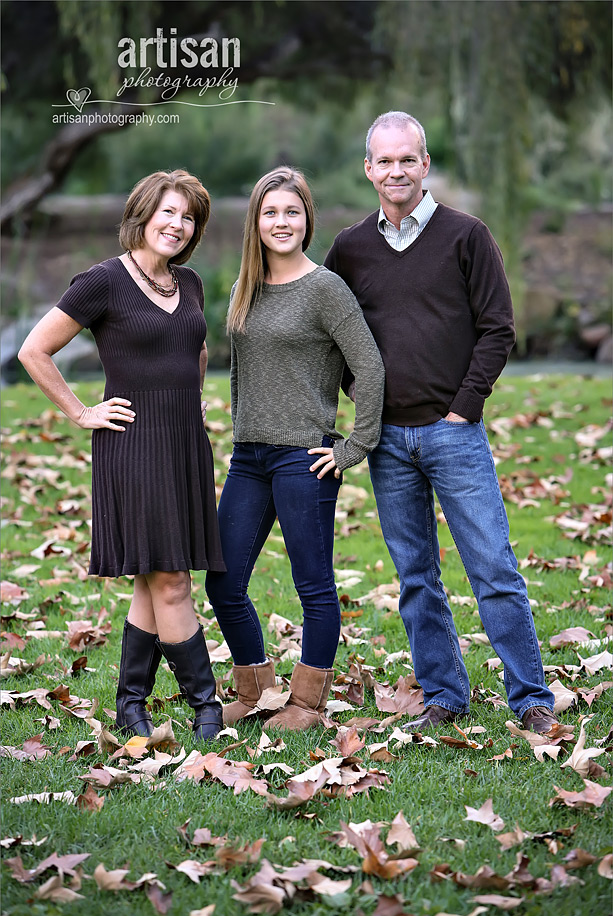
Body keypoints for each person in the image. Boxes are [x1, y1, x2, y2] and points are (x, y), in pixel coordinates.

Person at [324, 112, 556, 733]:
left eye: (408, 159)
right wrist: (363, 400)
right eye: (385, 161)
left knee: (493, 568)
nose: (396, 171)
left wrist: (464, 407)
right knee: (415, 577)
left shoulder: (466, 235)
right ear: (368, 169)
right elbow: (329, 334)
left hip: (454, 432)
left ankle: (531, 698)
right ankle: (444, 696)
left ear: (425, 165)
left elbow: (497, 328)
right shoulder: (349, 249)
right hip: (387, 441)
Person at [18, 169, 225, 743]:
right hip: (132, 444)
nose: (178, 225)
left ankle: (130, 705)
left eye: (188, 217)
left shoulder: (190, 285)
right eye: (169, 213)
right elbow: (34, 351)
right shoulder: (102, 281)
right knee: (173, 580)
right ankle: (205, 707)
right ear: (143, 214)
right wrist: (82, 412)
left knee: (151, 580)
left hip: (183, 441)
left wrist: (196, 403)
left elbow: (197, 348)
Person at [205, 167, 385, 731]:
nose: (281, 222)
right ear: (255, 223)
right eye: (270, 213)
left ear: (307, 219)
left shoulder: (326, 288)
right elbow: (242, 374)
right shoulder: (245, 288)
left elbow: (370, 367)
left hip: (305, 457)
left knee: (313, 584)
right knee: (223, 579)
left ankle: (306, 703)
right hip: (250, 457)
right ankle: (255, 689)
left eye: (291, 211)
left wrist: (354, 446)